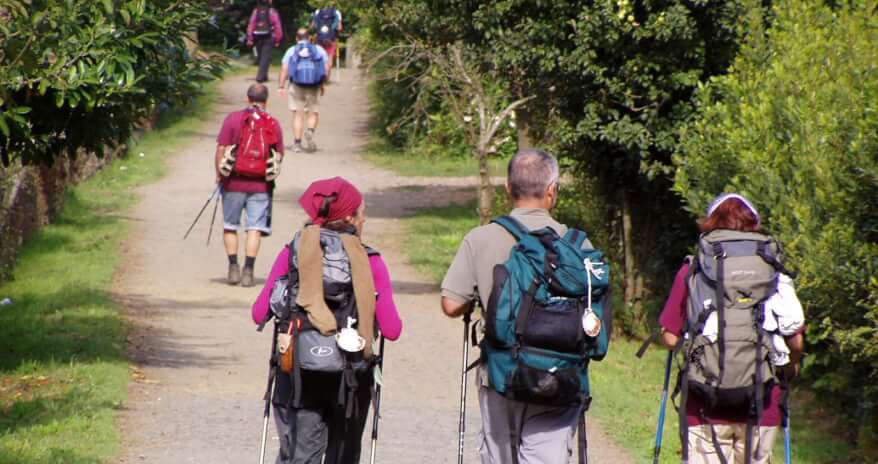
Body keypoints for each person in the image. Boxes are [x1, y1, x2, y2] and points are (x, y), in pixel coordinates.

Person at [440, 149, 597, 463]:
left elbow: (451, 304)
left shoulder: (481, 238)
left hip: (502, 374)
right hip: (561, 377)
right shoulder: (578, 245)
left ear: (508, 189)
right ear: (552, 191)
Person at [251, 176, 403, 464]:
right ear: (349, 218)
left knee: (300, 455)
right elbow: (392, 329)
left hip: (299, 373)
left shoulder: (293, 253)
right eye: (362, 213)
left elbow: (259, 313)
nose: (364, 220)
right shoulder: (370, 261)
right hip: (351, 377)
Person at [659, 193, 806, 464]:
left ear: (710, 224)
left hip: (704, 402)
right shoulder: (772, 268)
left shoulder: (695, 268)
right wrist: (791, 367)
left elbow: (670, 338)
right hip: (761, 404)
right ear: (753, 224)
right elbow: (795, 341)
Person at [214, 84, 284, 287]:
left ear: (248, 98)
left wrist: (219, 175)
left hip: (233, 182)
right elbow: (279, 155)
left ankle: (233, 268)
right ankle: (248, 271)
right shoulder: (272, 123)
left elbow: (221, 149)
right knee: (254, 228)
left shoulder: (233, 119)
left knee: (230, 225)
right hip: (261, 185)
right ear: (266, 100)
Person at [278, 28, 330, 153]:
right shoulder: (318, 50)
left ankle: (297, 144)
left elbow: (285, 69)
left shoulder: (291, 50)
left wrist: (281, 86)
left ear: (297, 38)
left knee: (298, 114)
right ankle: (310, 131)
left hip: (296, 85)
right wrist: (323, 84)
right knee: (313, 112)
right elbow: (326, 68)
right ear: (309, 37)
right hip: (314, 85)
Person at [246, 0, 283, 83]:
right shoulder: (272, 12)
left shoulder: (256, 11)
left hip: (257, 37)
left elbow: (251, 24)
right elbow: (277, 25)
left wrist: (250, 38)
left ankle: (264, 75)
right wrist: (278, 39)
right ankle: (260, 77)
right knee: (265, 57)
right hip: (269, 37)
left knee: (261, 57)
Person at [310, 4, 343, 77]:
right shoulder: (336, 12)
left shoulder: (318, 11)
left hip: (319, 39)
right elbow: (340, 28)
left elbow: (312, 26)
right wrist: (333, 30)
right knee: (329, 58)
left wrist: (319, 29)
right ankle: (326, 78)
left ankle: (318, 76)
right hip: (331, 39)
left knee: (319, 56)